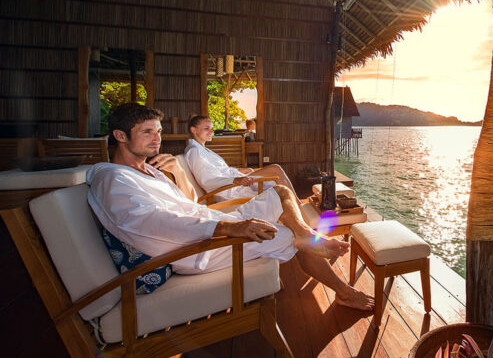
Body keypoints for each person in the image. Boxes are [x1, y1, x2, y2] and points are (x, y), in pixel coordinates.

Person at [87, 103, 373, 310]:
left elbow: (188, 203)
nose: (157, 139)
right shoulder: (112, 181)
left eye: (158, 131)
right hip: (194, 249)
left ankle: (302, 231)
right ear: (120, 136)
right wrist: (231, 226)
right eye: (147, 132)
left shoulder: (147, 171)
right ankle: (342, 289)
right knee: (282, 235)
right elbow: (152, 223)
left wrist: (176, 171)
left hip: (210, 222)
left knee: (283, 192)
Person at [185, 115, 294, 202]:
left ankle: (298, 206)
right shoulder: (194, 152)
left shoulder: (202, 150)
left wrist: (238, 171)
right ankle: (299, 206)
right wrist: (235, 179)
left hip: (233, 182)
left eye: (212, 129)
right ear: (193, 130)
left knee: (275, 173)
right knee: (276, 170)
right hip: (227, 190)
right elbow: (207, 181)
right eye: (206, 128)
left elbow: (222, 170)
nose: (211, 132)